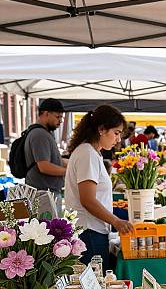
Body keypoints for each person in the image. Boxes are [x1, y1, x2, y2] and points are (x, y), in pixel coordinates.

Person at [64, 105, 133, 271]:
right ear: (101, 129)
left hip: (93, 230)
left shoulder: (91, 152)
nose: (118, 140)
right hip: (89, 232)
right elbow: (87, 199)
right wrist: (116, 221)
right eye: (116, 133)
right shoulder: (87, 153)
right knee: (95, 287)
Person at [24, 98, 67, 214]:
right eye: (58, 117)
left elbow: (54, 160)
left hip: (48, 194)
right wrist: (68, 172)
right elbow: (44, 166)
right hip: (43, 195)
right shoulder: (39, 134)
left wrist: (72, 163)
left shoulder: (45, 133)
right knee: (49, 230)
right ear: (46, 113)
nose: (60, 121)